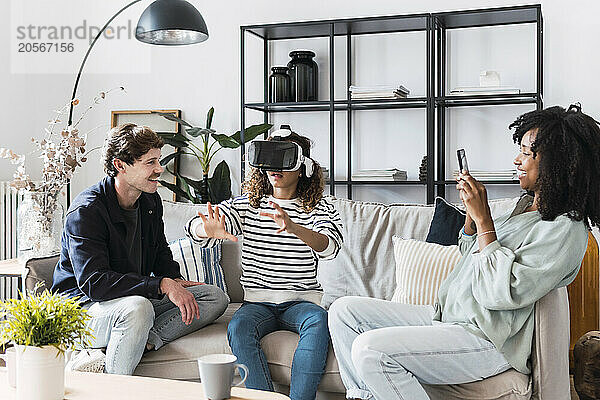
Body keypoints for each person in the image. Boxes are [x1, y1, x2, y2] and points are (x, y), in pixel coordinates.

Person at [328, 104, 600, 400]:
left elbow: (502, 291)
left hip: (486, 340)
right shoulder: (525, 209)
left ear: (556, 163)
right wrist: (471, 220)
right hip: (450, 318)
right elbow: (476, 258)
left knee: (371, 350)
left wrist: (485, 220)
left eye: (526, 153)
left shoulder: (566, 230)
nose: (517, 160)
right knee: (344, 311)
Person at [52, 123, 229, 375]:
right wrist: (161, 285)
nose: (160, 169)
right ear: (120, 166)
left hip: (130, 304)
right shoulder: (86, 212)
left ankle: (142, 341)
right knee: (139, 308)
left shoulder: (149, 200)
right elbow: (95, 284)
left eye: (158, 160)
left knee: (214, 296)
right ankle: (115, 387)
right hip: (83, 312)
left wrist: (176, 281)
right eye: (150, 163)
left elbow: (159, 252)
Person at [186, 128, 343, 400]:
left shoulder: (320, 206)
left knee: (319, 322)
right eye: (268, 159)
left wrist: (293, 227)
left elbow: (329, 246)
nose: (274, 168)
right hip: (257, 303)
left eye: (283, 159)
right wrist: (205, 229)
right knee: (239, 328)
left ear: (302, 165)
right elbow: (196, 227)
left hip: (302, 302)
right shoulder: (249, 205)